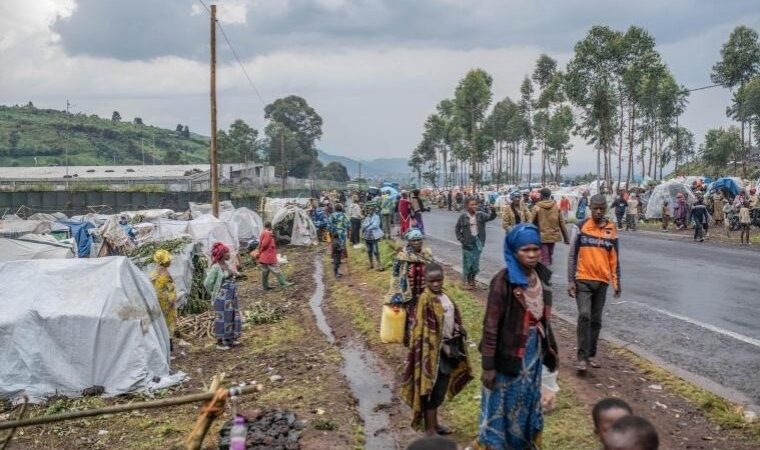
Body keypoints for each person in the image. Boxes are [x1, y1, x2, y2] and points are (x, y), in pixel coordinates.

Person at [476, 223, 558, 449]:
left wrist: (550, 356)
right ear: (514, 251)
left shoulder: (542, 277)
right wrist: (489, 366)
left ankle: (522, 442)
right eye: (525, 250)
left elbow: (543, 320)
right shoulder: (503, 281)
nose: (532, 255)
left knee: (526, 402)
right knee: (500, 405)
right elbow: (491, 325)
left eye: (536, 249)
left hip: (532, 355)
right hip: (507, 356)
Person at [401, 263, 473, 436]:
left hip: (450, 347)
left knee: (440, 389)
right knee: (431, 390)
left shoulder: (444, 295)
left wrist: (458, 328)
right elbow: (423, 332)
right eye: (432, 281)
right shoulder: (424, 300)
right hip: (432, 355)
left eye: (439, 280)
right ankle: (430, 429)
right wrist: (442, 347)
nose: (436, 284)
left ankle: (434, 424)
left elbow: (450, 317)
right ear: (426, 281)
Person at [567, 194, 621, 372]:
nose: (598, 211)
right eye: (595, 208)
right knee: (585, 316)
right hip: (583, 280)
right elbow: (572, 255)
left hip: (602, 282)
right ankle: (581, 358)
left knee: (596, 321)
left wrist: (616, 282)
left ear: (605, 208)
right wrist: (570, 280)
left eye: (601, 208)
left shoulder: (611, 229)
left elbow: (614, 257)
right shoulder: (580, 226)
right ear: (590, 207)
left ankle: (591, 354)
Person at [392, 228, 434, 345]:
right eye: (414, 240)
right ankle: (410, 341)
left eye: (419, 240)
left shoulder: (427, 255)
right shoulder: (402, 257)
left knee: (423, 320)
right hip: (408, 295)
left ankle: (421, 342)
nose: (417, 242)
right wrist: (396, 297)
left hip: (423, 294)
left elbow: (433, 271)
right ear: (409, 242)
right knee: (409, 320)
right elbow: (395, 277)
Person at [204, 242, 242, 350]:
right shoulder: (216, 267)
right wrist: (214, 293)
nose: (229, 254)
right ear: (221, 254)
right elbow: (207, 283)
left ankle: (229, 339)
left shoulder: (226, 265)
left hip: (231, 297)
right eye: (227, 252)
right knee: (221, 319)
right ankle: (219, 342)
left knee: (231, 317)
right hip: (221, 298)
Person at [455, 197, 497, 289]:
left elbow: (491, 217)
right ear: (467, 206)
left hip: (478, 243)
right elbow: (457, 229)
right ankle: (469, 281)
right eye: (472, 204)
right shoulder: (463, 217)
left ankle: (472, 280)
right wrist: (461, 239)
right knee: (468, 263)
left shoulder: (480, 215)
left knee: (475, 263)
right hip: (467, 244)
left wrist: (493, 211)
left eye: (475, 204)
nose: (475, 206)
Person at [531, 187, 569, 267]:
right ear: (549, 195)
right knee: (549, 255)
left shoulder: (537, 207)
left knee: (545, 258)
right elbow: (562, 223)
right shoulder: (556, 206)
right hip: (553, 236)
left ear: (541, 196)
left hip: (542, 236)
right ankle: (546, 274)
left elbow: (530, 223)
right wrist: (566, 238)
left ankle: (544, 276)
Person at [151, 249, 177, 351]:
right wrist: (171, 301)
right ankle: (168, 349)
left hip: (157, 303)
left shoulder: (154, 273)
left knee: (160, 325)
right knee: (168, 326)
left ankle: (162, 348)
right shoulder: (166, 274)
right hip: (166, 305)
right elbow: (171, 291)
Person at [257, 221, 294, 290]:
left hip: (264, 256)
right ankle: (283, 283)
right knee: (276, 269)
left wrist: (259, 252)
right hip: (268, 255)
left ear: (264, 226)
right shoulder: (267, 233)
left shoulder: (263, 232)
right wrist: (261, 250)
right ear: (270, 227)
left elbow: (261, 244)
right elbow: (264, 244)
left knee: (265, 271)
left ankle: (265, 286)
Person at [329, 203, 350, 278]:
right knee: (340, 251)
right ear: (341, 208)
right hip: (342, 237)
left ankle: (337, 270)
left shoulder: (332, 215)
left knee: (336, 252)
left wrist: (332, 232)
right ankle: (336, 271)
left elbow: (329, 226)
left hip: (335, 236)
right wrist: (347, 233)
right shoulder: (344, 216)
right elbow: (348, 225)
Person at [362, 202, 384, 270]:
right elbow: (363, 225)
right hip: (367, 236)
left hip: (374, 236)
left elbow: (375, 225)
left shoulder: (376, 217)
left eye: (371, 209)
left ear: (374, 210)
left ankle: (379, 265)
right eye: (369, 210)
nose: (370, 211)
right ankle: (371, 264)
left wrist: (367, 226)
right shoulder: (367, 217)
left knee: (375, 251)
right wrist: (369, 223)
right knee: (368, 250)